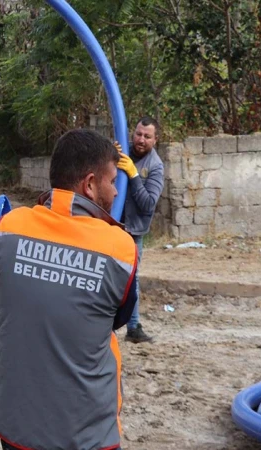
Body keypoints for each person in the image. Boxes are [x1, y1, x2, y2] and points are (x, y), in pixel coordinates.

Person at [0, 129, 138, 450]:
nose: (114, 193)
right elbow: (117, 317)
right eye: (112, 182)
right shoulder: (119, 249)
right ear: (90, 183)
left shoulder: (8, 228)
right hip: (84, 436)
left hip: (16, 430)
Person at [116, 117, 165, 344]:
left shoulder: (155, 167)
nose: (141, 140)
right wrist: (109, 157)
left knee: (131, 279)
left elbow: (147, 205)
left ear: (155, 139)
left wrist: (134, 175)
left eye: (147, 136)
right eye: (138, 134)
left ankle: (133, 327)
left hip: (134, 231)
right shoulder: (121, 151)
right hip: (112, 224)